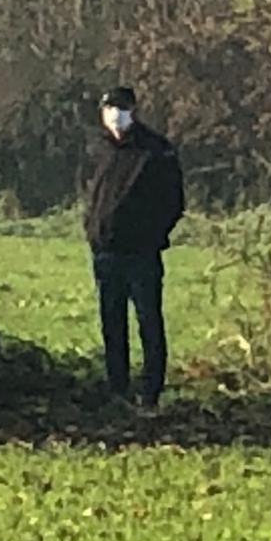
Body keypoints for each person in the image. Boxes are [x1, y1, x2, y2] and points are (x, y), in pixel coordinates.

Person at [83, 86, 185, 409]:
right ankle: (118, 388)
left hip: (141, 253)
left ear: (134, 110)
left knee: (148, 321)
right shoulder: (97, 150)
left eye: (122, 108)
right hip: (105, 252)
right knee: (112, 322)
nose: (115, 114)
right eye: (110, 107)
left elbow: (173, 202)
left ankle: (151, 390)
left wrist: (152, 236)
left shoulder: (155, 151)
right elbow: (90, 192)